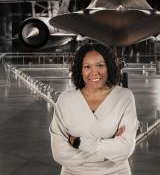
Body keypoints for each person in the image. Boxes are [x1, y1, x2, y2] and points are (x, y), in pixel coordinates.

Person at [49, 42, 138, 175]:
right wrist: (108, 149)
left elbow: (125, 149)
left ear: (109, 67)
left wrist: (78, 143)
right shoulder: (65, 99)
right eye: (87, 67)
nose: (94, 72)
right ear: (80, 69)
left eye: (100, 65)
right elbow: (59, 153)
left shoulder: (124, 97)